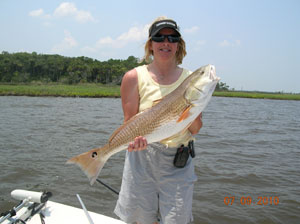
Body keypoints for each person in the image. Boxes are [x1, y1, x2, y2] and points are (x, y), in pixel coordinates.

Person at [114, 16, 203, 224]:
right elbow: (130, 123)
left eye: (173, 38)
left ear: (179, 45)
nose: (166, 43)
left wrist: (195, 107)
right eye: (159, 37)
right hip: (141, 158)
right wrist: (134, 142)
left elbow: (196, 129)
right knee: (141, 219)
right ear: (150, 44)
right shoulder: (133, 77)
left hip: (178, 161)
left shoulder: (192, 79)